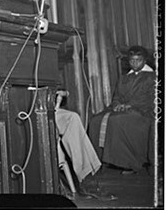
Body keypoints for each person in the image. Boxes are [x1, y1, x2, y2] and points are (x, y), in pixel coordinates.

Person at [88, 45, 155, 174]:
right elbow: (117, 96)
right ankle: (100, 160)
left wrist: (130, 105)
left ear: (145, 61)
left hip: (143, 111)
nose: (135, 63)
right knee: (96, 120)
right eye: (132, 60)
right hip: (124, 110)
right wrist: (117, 104)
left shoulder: (153, 77)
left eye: (138, 60)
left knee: (118, 121)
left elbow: (151, 98)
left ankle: (130, 164)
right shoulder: (124, 78)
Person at [54, 91, 116, 200]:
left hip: (45, 107)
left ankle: (86, 178)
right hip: (22, 109)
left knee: (72, 118)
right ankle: (87, 179)